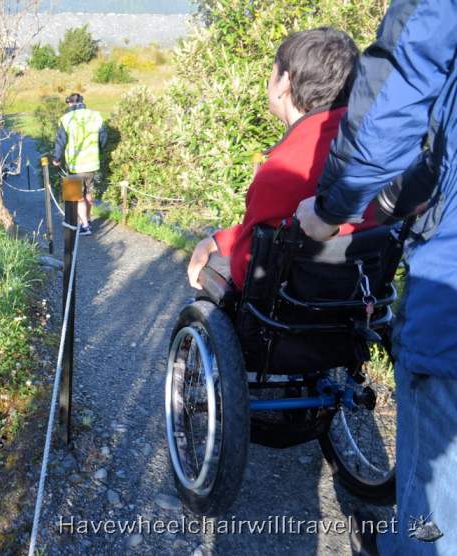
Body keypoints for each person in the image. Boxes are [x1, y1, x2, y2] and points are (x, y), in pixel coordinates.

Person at [293, 2, 457, 554]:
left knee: (438, 505)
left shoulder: (286, 164)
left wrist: (334, 205)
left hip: (449, 278)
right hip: (375, 282)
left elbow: (406, 78)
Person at [187, 28, 376, 291]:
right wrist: (220, 239)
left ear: (284, 82)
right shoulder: (377, 147)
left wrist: (218, 243)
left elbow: (247, 267)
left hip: (291, 304)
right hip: (358, 291)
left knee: (215, 269)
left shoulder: (283, 168)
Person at [52, 93, 108, 236]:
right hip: (93, 163)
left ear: (70, 104)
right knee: (88, 193)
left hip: (75, 165)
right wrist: (98, 151)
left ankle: (84, 225)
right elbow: (103, 138)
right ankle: (87, 219)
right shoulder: (95, 116)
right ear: (83, 102)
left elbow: (60, 141)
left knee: (76, 197)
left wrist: (56, 159)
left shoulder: (66, 119)